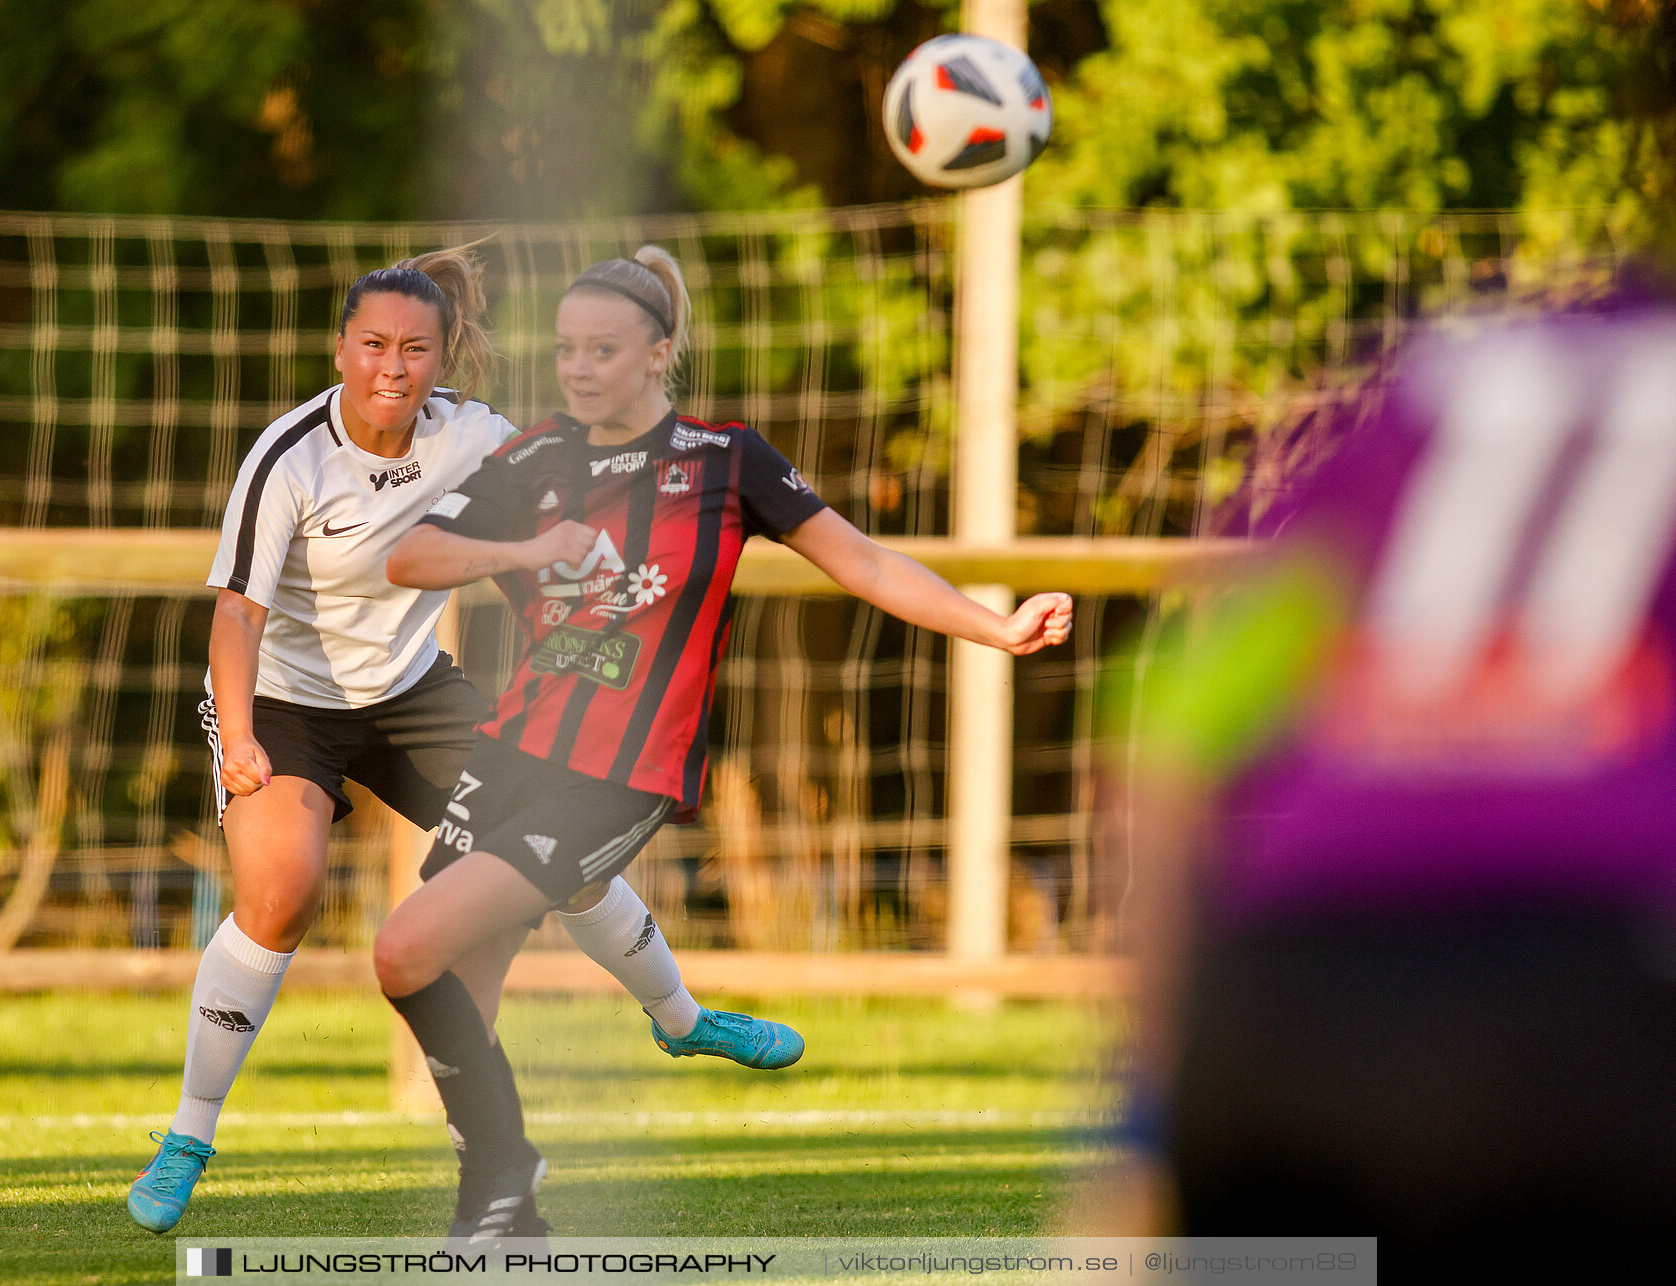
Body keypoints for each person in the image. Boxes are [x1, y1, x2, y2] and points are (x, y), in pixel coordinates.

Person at [376, 245, 1076, 1242]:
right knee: (446, 983)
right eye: (568, 348)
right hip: (511, 749)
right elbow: (413, 555)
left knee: (405, 950)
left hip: (619, 774)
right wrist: (525, 548)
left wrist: (994, 624)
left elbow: (864, 559)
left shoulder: (725, 459)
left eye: (604, 349)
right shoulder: (531, 457)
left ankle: (504, 1174)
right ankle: (499, 1222)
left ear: (659, 353)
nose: (579, 368)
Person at [127, 246, 800, 1237]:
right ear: (341, 348)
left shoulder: (476, 436)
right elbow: (235, 614)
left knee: (552, 841)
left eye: (414, 349)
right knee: (282, 891)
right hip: (281, 700)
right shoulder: (289, 455)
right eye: (371, 346)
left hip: (409, 691)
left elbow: (583, 459)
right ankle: (189, 1133)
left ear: (444, 357)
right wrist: (235, 737)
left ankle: (680, 1019)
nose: (391, 369)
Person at [1116, 296, 1676, 1269]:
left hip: (1283, 1008)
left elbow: (1173, 739)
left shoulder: (1436, 379)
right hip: (1586, 1012)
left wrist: (1146, 1111)